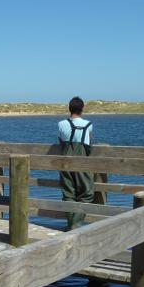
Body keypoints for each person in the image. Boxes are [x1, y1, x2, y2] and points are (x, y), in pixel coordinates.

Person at [58, 96, 94, 230]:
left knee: (68, 194)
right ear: (82, 109)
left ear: (69, 109)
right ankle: (76, 225)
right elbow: (90, 144)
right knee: (87, 193)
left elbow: (61, 141)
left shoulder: (61, 124)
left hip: (65, 162)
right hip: (83, 163)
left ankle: (71, 224)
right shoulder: (89, 125)